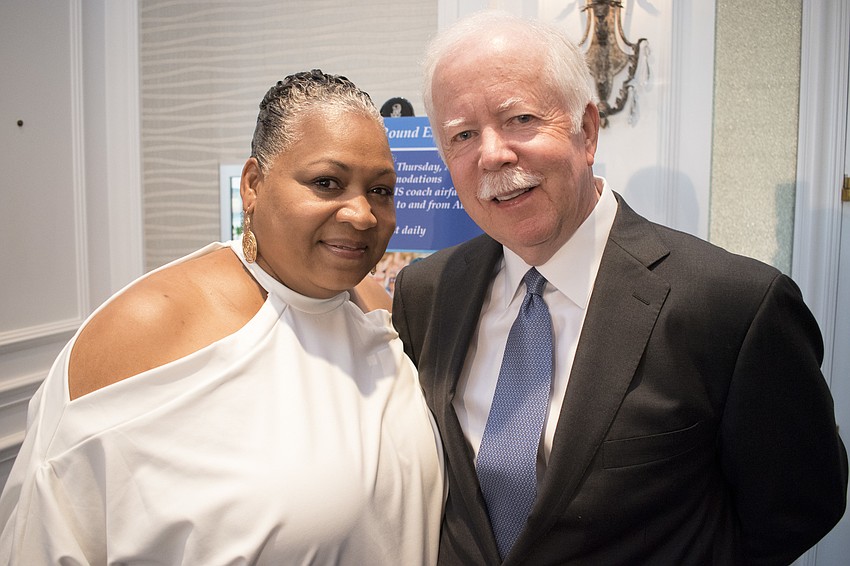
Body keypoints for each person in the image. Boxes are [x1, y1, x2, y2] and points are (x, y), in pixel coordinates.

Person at [391, 11, 847, 565]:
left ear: (585, 130)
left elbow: (800, 505)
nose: (492, 154)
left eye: (519, 119)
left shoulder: (732, 306)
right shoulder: (425, 294)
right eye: (462, 135)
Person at [0, 69, 444, 564]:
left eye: (380, 190)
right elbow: (51, 529)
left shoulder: (377, 311)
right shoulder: (150, 327)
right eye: (327, 182)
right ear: (253, 185)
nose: (362, 214)